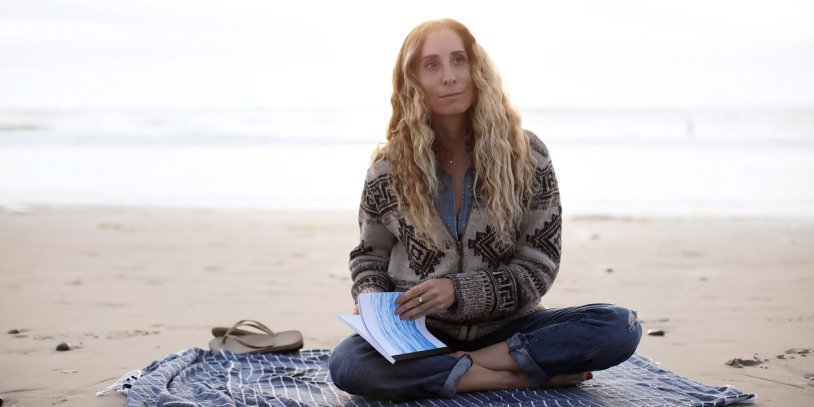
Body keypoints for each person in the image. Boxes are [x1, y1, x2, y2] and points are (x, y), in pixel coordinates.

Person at [328, 18, 642, 401]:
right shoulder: (388, 168)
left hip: (511, 328)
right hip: (420, 333)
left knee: (619, 326)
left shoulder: (527, 156)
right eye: (432, 65)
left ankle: (465, 366)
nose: (449, 77)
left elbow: (538, 263)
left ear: (477, 68)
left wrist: (458, 291)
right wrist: (373, 306)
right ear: (413, 80)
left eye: (459, 60)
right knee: (348, 364)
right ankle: (509, 376)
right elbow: (369, 257)